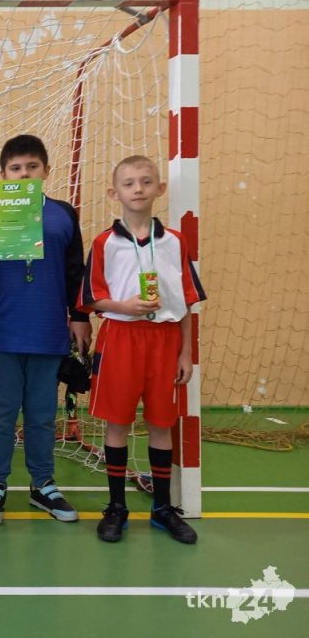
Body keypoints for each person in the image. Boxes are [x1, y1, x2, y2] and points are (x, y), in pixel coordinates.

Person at [0, 134, 91, 525]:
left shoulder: (64, 214)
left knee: (41, 414)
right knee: (1, 415)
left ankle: (43, 485)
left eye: (31, 167)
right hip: (0, 331)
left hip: (47, 332)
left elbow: (75, 271)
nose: (23, 174)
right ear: (3, 175)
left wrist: (80, 316)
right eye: (15, 168)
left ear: (46, 171)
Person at [78, 155, 205, 544]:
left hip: (165, 340)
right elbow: (91, 299)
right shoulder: (104, 243)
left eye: (146, 182)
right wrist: (124, 305)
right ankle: (117, 507)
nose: (138, 189)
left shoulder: (175, 242)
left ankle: (163, 508)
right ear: (114, 193)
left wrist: (185, 353)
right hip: (121, 337)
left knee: (161, 424)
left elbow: (186, 301)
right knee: (117, 423)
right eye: (129, 183)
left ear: (159, 189)